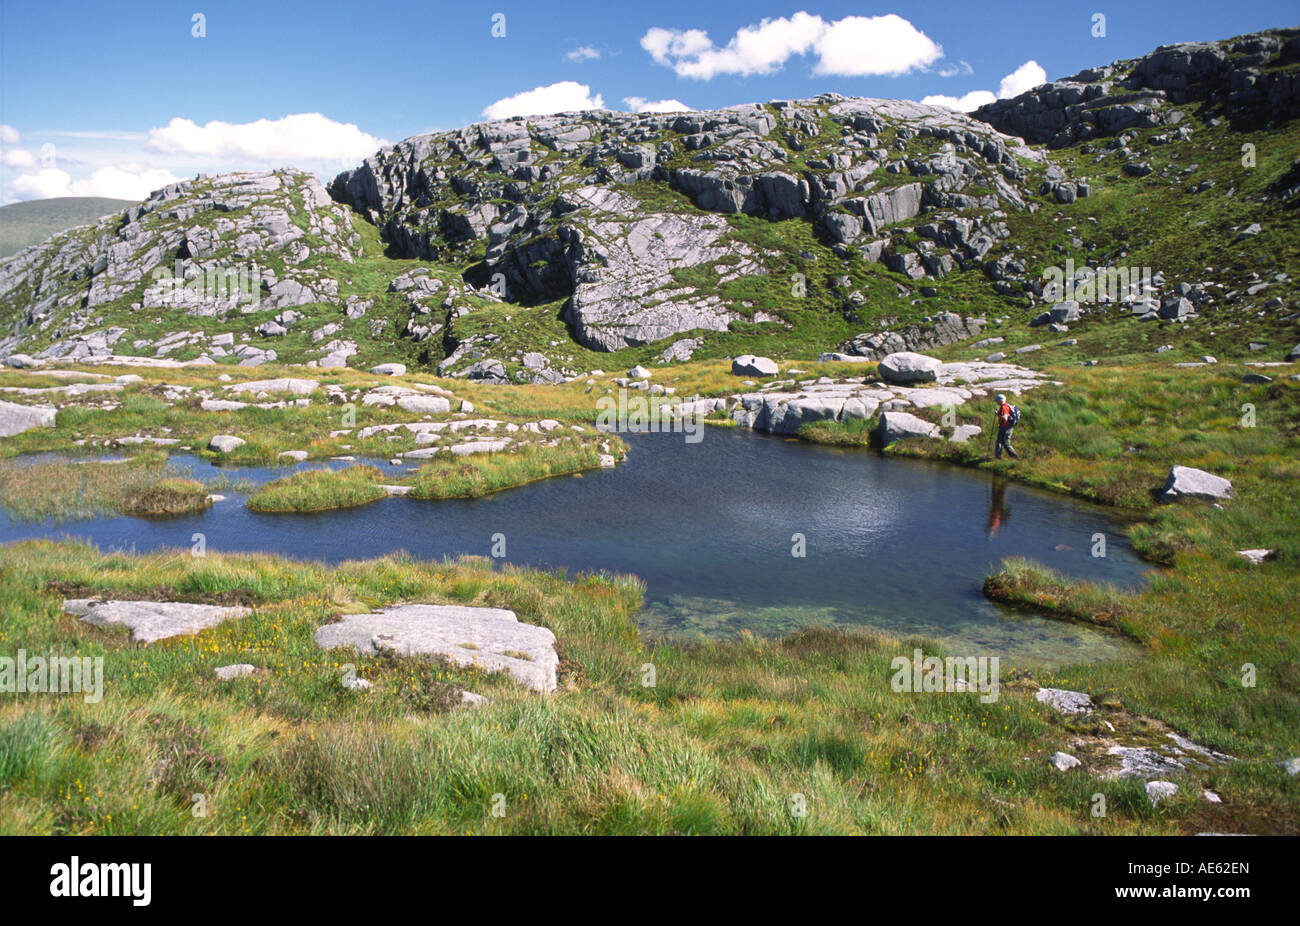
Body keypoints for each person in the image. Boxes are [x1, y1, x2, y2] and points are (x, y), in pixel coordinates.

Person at [994, 394, 1019, 460]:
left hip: (1005, 427)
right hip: (1007, 426)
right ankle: (998, 457)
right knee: (1000, 441)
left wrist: (997, 415)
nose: (997, 402)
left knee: (1005, 443)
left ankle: (1015, 457)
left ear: (1000, 400)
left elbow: (1005, 418)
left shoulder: (1004, 407)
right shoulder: (1007, 406)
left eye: (997, 400)